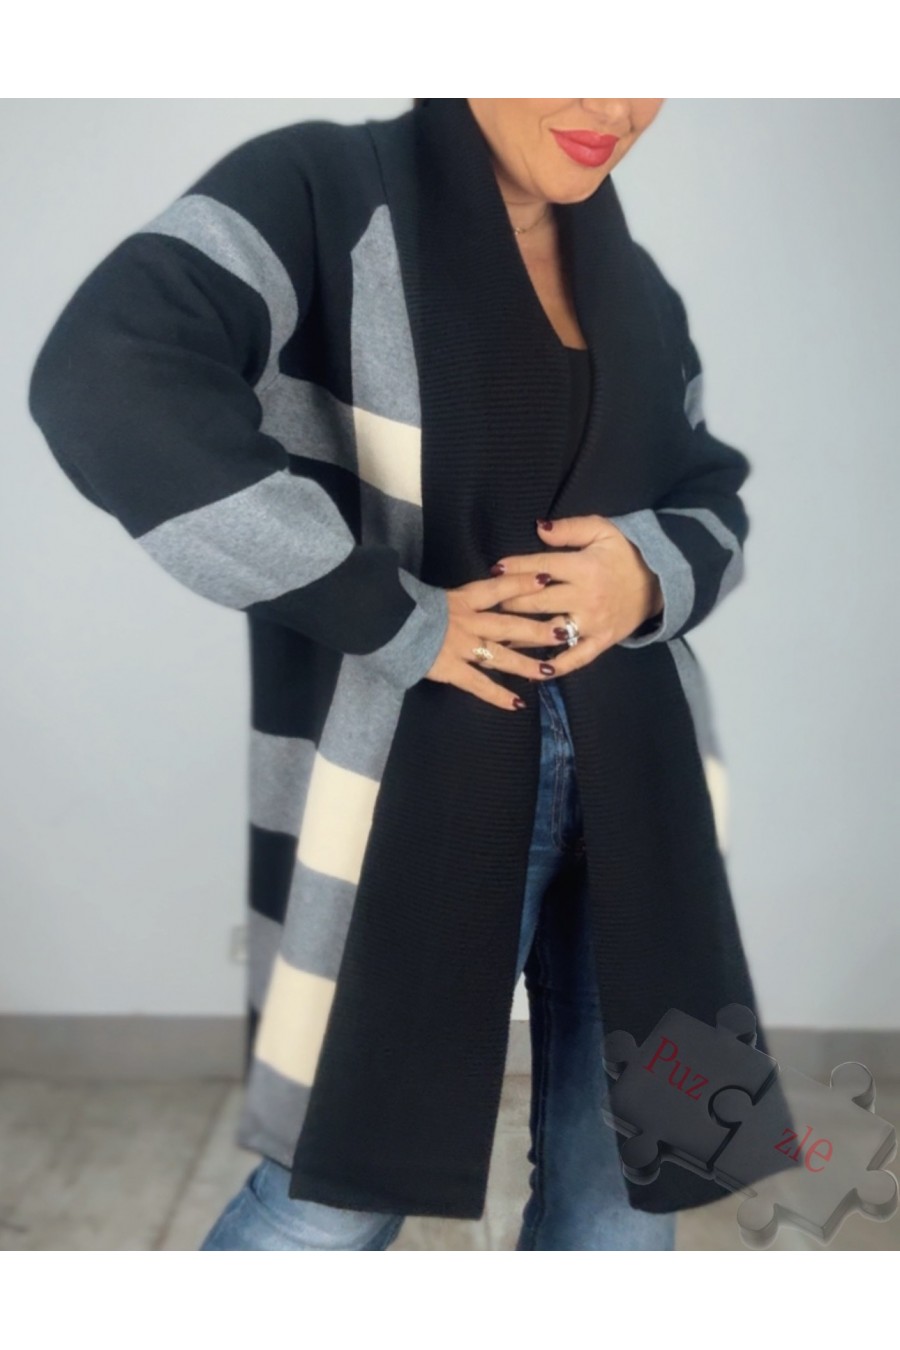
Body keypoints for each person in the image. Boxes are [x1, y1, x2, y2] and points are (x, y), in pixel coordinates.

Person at [28, 98, 763, 1250]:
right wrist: (384, 610)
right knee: (335, 1197)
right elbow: (102, 379)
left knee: (630, 1192)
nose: (613, 106)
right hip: (415, 779)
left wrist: (644, 573)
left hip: (644, 776)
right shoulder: (321, 190)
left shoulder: (634, 279)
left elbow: (707, 486)